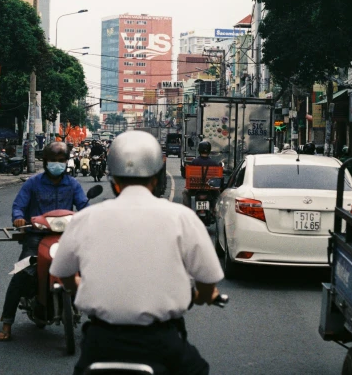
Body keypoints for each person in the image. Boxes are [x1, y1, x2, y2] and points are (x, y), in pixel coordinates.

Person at [50, 131, 224, 375]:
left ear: (113, 178)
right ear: (156, 177)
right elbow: (207, 280)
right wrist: (205, 295)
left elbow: (64, 274)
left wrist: (81, 286)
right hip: (161, 341)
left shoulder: (85, 218)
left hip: (101, 343)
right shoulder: (182, 217)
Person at [0, 142, 89, 342]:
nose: (57, 164)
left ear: (66, 162)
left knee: (91, 270)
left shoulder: (73, 184)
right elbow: (19, 206)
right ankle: (7, 322)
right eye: (53, 161)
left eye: (61, 161)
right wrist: (18, 218)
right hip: (36, 236)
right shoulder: (33, 183)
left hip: (66, 236)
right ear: (45, 162)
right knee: (21, 273)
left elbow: (83, 205)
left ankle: (100, 323)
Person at [182, 140, 221, 208]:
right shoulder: (214, 163)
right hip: (210, 188)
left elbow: (189, 175)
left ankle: (187, 209)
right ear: (209, 150)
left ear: (199, 150)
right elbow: (217, 177)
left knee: (185, 192)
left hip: (195, 187)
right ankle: (215, 209)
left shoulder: (194, 161)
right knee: (218, 195)